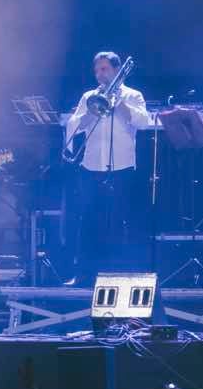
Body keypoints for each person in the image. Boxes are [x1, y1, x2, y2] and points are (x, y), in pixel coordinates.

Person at [63, 50, 152, 284]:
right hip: (92, 166)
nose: (99, 74)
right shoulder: (89, 96)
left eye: (104, 69)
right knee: (88, 220)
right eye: (96, 70)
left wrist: (120, 104)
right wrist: (90, 113)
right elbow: (75, 125)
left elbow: (144, 122)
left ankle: (115, 274)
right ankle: (84, 274)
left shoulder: (133, 95)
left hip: (122, 166)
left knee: (118, 220)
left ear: (116, 70)